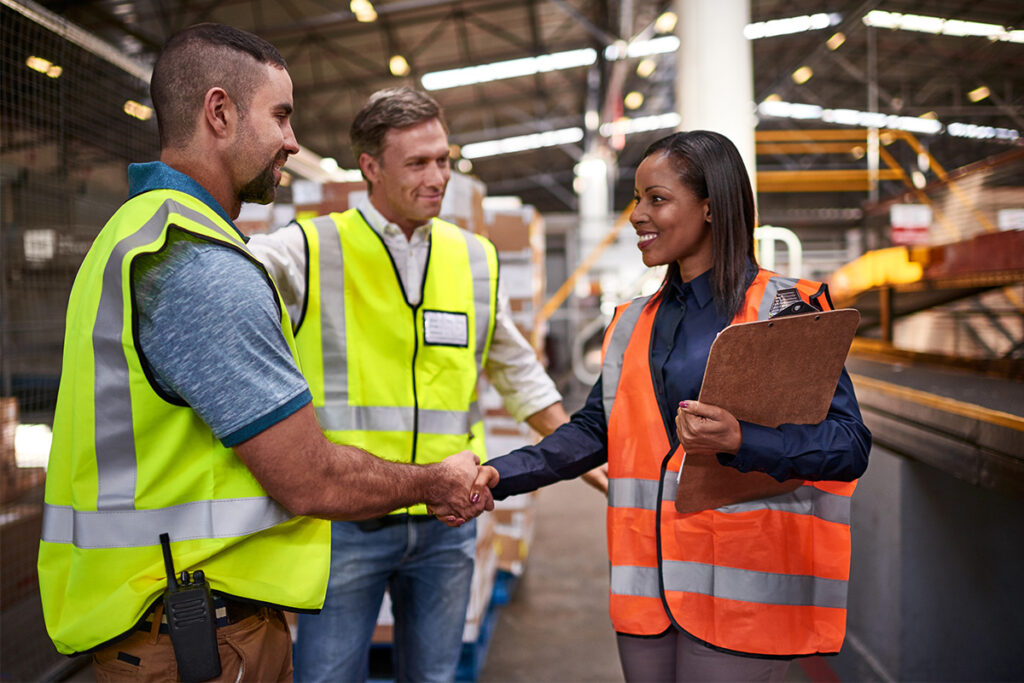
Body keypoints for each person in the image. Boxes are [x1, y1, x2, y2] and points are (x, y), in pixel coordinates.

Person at [37, 25, 491, 683]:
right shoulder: (199, 268)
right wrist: (433, 480)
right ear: (219, 112)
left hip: (166, 618)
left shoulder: (136, 232)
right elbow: (311, 477)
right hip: (199, 638)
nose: (293, 140)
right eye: (280, 116)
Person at [471, 130, 871, 682]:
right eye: (637, 199)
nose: (638, 214)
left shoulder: (784, 310)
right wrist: (497, 475)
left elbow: (848, 447)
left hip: (742, 598)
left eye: (656, 199)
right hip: (647, 594)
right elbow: (594, 430)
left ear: (710, 207)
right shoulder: (635, 321)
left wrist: (741, 440)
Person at [245, 86, 578, 683]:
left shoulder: (473, 257)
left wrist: (593, 461)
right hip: (349, 523)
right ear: (370, 167)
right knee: (326, 676)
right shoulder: (309, 247)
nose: (438, 177)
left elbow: (518, 370)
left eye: (444, 160)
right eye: (418, 163)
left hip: (446, 522)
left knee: (434, 677)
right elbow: (226, 273)